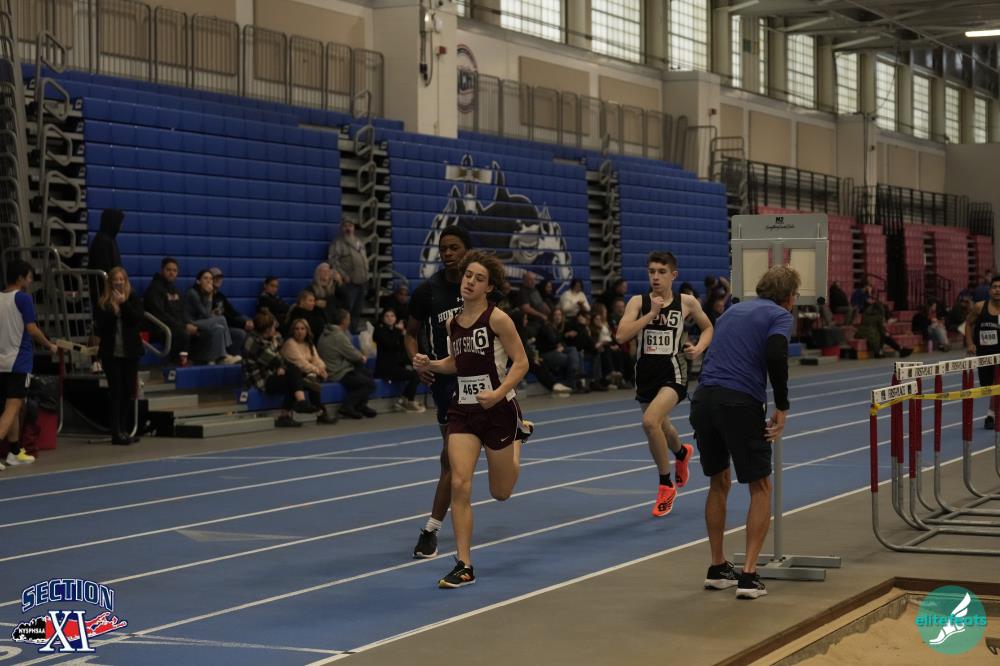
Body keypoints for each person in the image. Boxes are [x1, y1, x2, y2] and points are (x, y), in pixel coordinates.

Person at [412, 251, 533, 589]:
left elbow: (521, 362)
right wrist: (430, 364)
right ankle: (464, 564)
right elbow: (457, 362)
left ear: (489, 287)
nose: (470, 282)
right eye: (468, 275)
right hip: (463, 410)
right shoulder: (452, 323)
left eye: (479, 279)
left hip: (498, 410)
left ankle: (518, 438)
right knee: (460, 483)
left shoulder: (498, 319)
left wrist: (499, 393)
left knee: (501, 492)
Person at [689, 265, 800, 600]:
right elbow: (776, 354)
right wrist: (782, 405)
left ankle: (717, 567)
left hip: (703, 399)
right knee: (760, 486)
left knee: (718, 481)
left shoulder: (731, 312)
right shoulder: (780, 316)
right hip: (739, 402)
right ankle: (749, 576)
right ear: (789, 297)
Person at [615, 251, 713, 517]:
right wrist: (650, 315)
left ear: (673, 275)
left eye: (661, 272)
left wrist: (699, 348)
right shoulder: (638, 302)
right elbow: (621, 335)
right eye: (651, 272)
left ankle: (665, 485)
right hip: (645, 375)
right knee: (662, 425)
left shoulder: (686, 302)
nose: (655, 277)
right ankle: (681, 453)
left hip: (674, 373)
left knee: (650, 422)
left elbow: (708, 327)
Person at [405, 226, 472, 560]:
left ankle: (513, 426)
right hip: (447, 384)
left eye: (454, 247)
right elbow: (410, 333)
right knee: (451, 460)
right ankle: (431, 530)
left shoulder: (480, 288)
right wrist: (418, 363)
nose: (448, 253)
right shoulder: (427, 292)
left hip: (482, 379)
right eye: (444, 248)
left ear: (467, 250)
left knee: (501, 487)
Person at [0, 260, 58, 468]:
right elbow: (32, 329)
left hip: (2, 361)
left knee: (13, 407)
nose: (31, 281)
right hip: (19, 361)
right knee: (12, 407)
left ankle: (14, 451)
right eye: (29, 277)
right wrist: (49, 345)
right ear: (20, 278)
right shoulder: (23, 299)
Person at [243, 310, 329, 428]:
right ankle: (303, 404)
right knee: (295, 373)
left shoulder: (270, 337)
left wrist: (281, 365)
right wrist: (281, 366)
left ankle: (287, 415)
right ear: (267, 330)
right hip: (260, 379)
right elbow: (277, 360)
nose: (275, 329)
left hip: (272, 373)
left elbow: (280, 357)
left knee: (296, 379)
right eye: (273, 327)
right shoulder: (254, 342)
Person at [94, 267, 144, 445]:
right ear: (110, 283)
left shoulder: (133, 298)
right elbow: (101, 326)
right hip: (111, 353)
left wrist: (123, 304)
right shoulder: (103, 302)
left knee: (128, 391)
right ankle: (116, 432)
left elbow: (136, 319)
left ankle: (124, 429)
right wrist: (114, 313)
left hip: (130, 352)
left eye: (122, 279)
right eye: (116, 279)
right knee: (116, 391)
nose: (119, 282)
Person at [317, 309, 377, 420]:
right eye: (348, 319)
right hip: (337, 371)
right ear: (344, 321)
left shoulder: (326, 332)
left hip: (333, 367)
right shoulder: (338, 335)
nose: (349, 321)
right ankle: (347, 406)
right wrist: (363, 356)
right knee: (369, 383)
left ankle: (361, 405)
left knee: (365, 373)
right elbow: (353, 354)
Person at [280, 318, 339, 424]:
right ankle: (321, 414)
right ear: (293, 331)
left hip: (306, 374)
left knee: (312, 380)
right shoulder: (290, 344)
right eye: (297, 329)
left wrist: (321, 368)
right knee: (311, 382)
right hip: (293, 375)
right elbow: (301, 363)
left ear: (307, 330)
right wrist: (317, 371)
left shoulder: (309, 344)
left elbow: (316, 359)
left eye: (302, 329)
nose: (300, 331)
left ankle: (320, 413)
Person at [143, 257, 195, 365]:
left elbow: (181, 311)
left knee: (200, 332)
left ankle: (200, 362)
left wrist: (187, 324)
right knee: (182, 334)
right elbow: (159, 315)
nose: (172, 273)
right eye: (168, 270)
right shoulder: (154, 289)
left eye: (174, 270)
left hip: (175, 326)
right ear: (162, 270)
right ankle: (175, 364)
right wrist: (183, 326)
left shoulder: (175, 289)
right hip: (158, 328)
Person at [183, 269, 241, 365]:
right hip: (191, 322)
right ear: (198, 281)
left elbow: (207, 314)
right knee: (221, 319)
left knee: (219, 328)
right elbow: (206, 314)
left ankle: (216, 358)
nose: (209, 281)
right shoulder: (192, 293)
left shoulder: (203, 293)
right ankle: (227, 349)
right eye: (205, 278)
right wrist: (210, 296)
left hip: (200, 321)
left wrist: (211, 312)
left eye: (210, 279)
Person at [373, 309, 424, 413]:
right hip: (385, 368)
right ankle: (408, 401)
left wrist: (409, 364)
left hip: (397, 366)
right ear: (383, 318)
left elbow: (402, 349)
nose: (390, 318)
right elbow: (389, 343)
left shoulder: (397, 332)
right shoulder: (379, 330)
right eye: (387, 316)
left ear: (395, 318)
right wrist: (399, 332)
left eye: (392, 316)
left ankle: (403, 400)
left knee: (418, 372)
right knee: (415, 375)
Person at [966, 275, 1000, 429]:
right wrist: (970, 343)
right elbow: (968, 324)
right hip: (985, 354)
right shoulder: (980, 307)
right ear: (989, 290)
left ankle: (991, 416)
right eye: (994, 287)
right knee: (987, 385)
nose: (997, 290)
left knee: (997, 384)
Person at [328, 221, 369, 334]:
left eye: (350, 226)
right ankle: (343, 335)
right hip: (349, 283)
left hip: (362, 281)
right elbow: (332, 260)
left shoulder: (359, 242)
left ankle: (352, 333)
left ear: (354, 228)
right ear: (341, 228)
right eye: (345, 226)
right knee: (346, 311)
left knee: (357, 310)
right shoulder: (338, 243)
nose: (348, 228)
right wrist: (343, 275)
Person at [210, 267, 253, 353]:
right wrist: (243, 323)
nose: (218, 280)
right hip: (218, 326)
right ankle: (230, 355)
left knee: (251, 328)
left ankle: (245, 356)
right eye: (215, 277)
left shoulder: (220, 296)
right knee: (240, 334)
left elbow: (232, 312)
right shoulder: (207, 297)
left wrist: (247, 320)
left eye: (220, 277)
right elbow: (225, 316)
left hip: (227, 324)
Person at [517, 272, 550, 339]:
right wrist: (541, 315)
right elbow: (526, 308)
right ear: (524, 280)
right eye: (530, 279)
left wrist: (550, 313)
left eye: (534, 279)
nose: (533, 282)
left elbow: (541, 302)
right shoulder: (523, 292)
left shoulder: (534, 289)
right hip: (532, 322)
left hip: (542, 319)